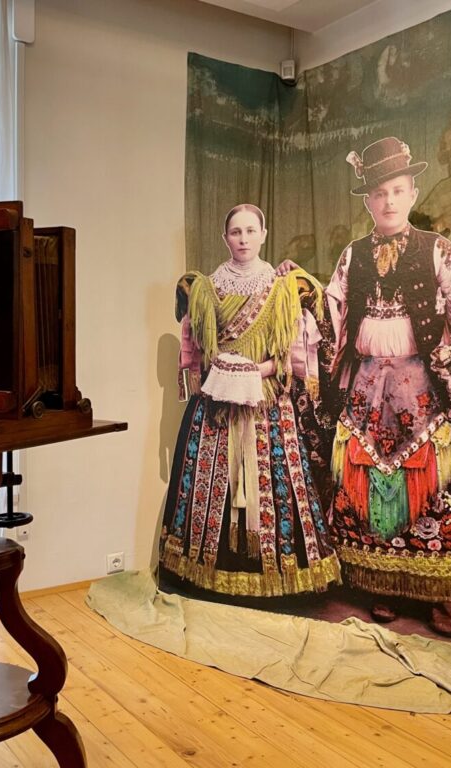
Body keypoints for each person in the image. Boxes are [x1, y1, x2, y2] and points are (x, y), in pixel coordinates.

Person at [293, 138, 451, 637]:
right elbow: (332, 316)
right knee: (365, 486)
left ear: (412, 193)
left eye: (397, 190)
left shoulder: (438, 251)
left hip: (421, 394)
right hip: (365, 392)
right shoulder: (353, 256)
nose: (388, 201)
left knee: (429, 486)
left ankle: (432, 597)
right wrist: (298, 297)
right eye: (378, 193)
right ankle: (380, 590)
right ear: (366, 201)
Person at [158, 204, 341, 598]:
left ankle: (277, 580)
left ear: (263, 234)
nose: (242, 239)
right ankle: (207, 573)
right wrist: (221, 371)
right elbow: (200, 351)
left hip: (266, 405)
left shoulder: (282, 289)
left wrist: (258, 372)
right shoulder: (205, 287)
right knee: (210, 479)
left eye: (250, 231)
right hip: (216, 406)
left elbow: (292, 357)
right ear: (225, 238)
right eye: (235, 232)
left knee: (271, 483)